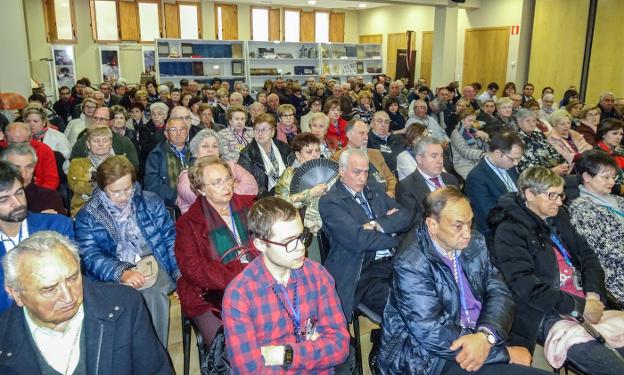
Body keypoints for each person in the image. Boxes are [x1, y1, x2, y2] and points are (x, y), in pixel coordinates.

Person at [378, 187, 549, 375]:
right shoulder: (410, 264)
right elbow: (431, 333)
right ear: (432, 225)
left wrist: (486, 336)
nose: (468, 233)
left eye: (470, 223)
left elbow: (499, 291)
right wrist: (503, 354)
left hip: (480, 334)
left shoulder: (474, 242)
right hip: (429, 357)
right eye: (458, 226)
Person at [489, 166, 624, 374]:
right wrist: (579, 306)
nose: (560, 201)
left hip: (586, 300)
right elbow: (527, 288)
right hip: (546, 309)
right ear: (530, 194)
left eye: (560, 195)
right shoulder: (509, 230)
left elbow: (587, 256)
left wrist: (594, 295)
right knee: (612, 367)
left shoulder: (557, 215)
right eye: (552, 195)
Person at [0, 231, 172, 374]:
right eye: (49, 289)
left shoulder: (124, 305)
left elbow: (156, 371)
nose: (69, 298)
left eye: (73, 278)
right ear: (16, 294)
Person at [222, 197, 349, 373]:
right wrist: (315, 352)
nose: (300, 248)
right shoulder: (239, 295)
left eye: (301, 236)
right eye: (288, 241)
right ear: (261, 244)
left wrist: (283, 354)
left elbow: (339, 347)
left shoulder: (317, 275)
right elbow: (250, 370)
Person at [319, 149, 411, 368]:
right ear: (341, 172)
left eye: (366, 171)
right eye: (356, 172)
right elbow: (358, 240)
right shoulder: (330, 202)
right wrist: (393, 234)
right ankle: (386, 358)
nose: (362, 178)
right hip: (363, 272)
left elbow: (406, 215)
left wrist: (377, 225)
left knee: (427, 296)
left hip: (394, 262)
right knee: (403, 309)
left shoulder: (375, 188)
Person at [74, 156, 180, 347]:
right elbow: (91, 256)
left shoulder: (150, 201)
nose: (123, 197)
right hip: (114, 266)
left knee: (152, 293)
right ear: (102, 188)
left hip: (155, 257)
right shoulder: (88, 215)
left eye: (128, 189)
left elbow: (170, 239)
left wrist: (179, 274)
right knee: (126, 298)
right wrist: (121, 272)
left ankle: (154, 356)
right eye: (115, 192)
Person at [175, 156, 256, 346]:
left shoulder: (250, 206)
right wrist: (243, 272)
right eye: (217, 182)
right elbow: (195, 270)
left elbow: (269, 244)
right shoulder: (187, 224)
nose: (226, 186)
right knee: (231, 344)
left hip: (258, 282)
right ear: (201, 189)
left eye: (228, 178)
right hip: (209, 293)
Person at [0, 161, 73, 313]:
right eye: (4, 199)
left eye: (19, 193)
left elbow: (72, 282)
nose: (17, 203)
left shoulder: (57, 227)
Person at [569, 150, 624, 303]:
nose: (612, 182)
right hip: (615, 272)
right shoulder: (581, 208)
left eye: (613, 177)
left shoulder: (617, 200)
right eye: (606, 177)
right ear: (586, 177)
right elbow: (601, 250)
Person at [275, 133, 330, 263]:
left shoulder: (325, 169)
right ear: (298, 155)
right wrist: (309, 194)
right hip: (305, 230)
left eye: (317, 150)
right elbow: (280, 205)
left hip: (330, 224)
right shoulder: (289, 174)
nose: (315, 154)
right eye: (309, 151)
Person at [176, 129, 258, 214]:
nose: (211, 150)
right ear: (195, 152)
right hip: (201, 221)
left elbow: (252, 187)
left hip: (235, 215)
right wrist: (233, 187)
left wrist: (220, 193)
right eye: (205, 146)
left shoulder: (232, 166)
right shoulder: (186, 175)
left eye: (215, 146)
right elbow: (197, 197)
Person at [463, 130, 522, 236]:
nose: (516, 163)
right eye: (513, 159)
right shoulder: (477, 178)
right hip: (500, 231)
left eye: (518, 159)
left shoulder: (508, 165)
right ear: (498, 153)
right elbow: (490, 215)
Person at [396, 136, 459, 225]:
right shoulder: (406, 187)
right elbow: (416, 223)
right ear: (419, 159)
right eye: (434, 156)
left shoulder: (451, 179)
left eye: (441, 155)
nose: (440, 161)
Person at [332, 119, 397, 197]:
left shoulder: (375, 153)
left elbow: (390, 178)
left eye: (367, 134)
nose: (366, 137)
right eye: (361, 133)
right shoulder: (338, 157)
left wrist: (391, 192)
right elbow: (340, 187)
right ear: (349, 135)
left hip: (386, 198)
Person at [2, 144, 65, 215]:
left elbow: (59, 224)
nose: (23, 174)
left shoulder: (49, 197)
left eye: (29, 167)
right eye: (16, 167)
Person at [69, 107, 140, 170]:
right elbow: (74, 163)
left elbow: (134, 166)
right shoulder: (83, 140)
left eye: (102, 119)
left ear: (111, 122)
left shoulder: (124, 142)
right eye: (95, 118)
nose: (97, 122)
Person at [239, 114, 291, 197]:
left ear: (273, 131)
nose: (259, 133)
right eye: (256, 129)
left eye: (264, 130)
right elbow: (249, 184)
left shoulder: (284, 147)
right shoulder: (246, 154)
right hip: (264, 198)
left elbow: (293, 170)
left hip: (289, 191)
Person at [67, 125, 115, 216]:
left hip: (115, 210)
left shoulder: (121, 162)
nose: (101, 144)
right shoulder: (77, 163)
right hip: (84, 211)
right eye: (96, 141)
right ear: (88, 144)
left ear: (110, 143)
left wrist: (95, 178)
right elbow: (77, 187)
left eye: (105, 140)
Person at [144, 117, 191, 206]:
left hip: (196, 202)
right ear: (166, 134)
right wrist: (175, 197)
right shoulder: (156, 154)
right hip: (169, 204)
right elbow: (152, 184)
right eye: (173, 130)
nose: (178, 133)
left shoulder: (196, 151)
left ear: (187, 131)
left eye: (182, 129)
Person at [3, 122, 59, 191]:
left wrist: (40, 196)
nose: (18, 147)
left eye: (23, 143)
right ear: (4, 139)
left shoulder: (43, 150)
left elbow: (51, 180)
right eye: (13, 143)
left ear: (30, 138)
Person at [515, 109, 569, 176]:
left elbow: (553, 152)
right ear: (519, 123)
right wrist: (551, 171)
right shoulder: (516, 140)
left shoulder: (539, 135)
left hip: (554, 173)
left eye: (534, 121)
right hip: (537, 179)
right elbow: (524, 167)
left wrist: (563, 164)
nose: (532, 124)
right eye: (528, 121)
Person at [21, 105, 71, 172]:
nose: (31, 124)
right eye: (28, 121)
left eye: (35, 121)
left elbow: (67, 160)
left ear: (44, 122)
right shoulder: (20, 138)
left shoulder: (58, 137)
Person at [450, 108, 489, 179]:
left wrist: (486, 138)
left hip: (477, 161)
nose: (472, 123)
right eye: (470, 120)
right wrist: (483, 155)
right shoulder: (456, 134)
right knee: (479, 180)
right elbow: (466, 152)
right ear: (462, 120)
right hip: (464, 164)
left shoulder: (473, 131)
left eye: (474, 121)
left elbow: (485, 147)